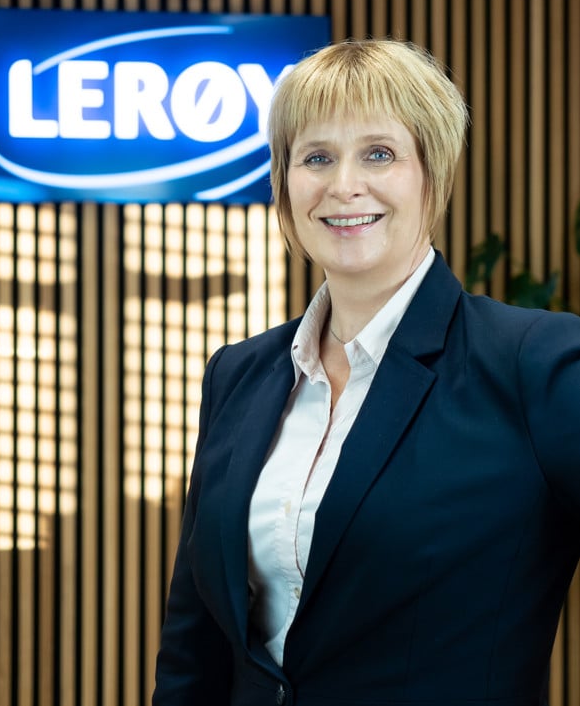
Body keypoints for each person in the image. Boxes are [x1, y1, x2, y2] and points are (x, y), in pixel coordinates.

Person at [152, 39, 580, 706]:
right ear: (284, 181)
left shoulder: (532, 363)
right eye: (316, 156)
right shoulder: (237, 374)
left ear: (429, 175)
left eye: (377, 153)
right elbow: (194, 643)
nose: (342, 184)